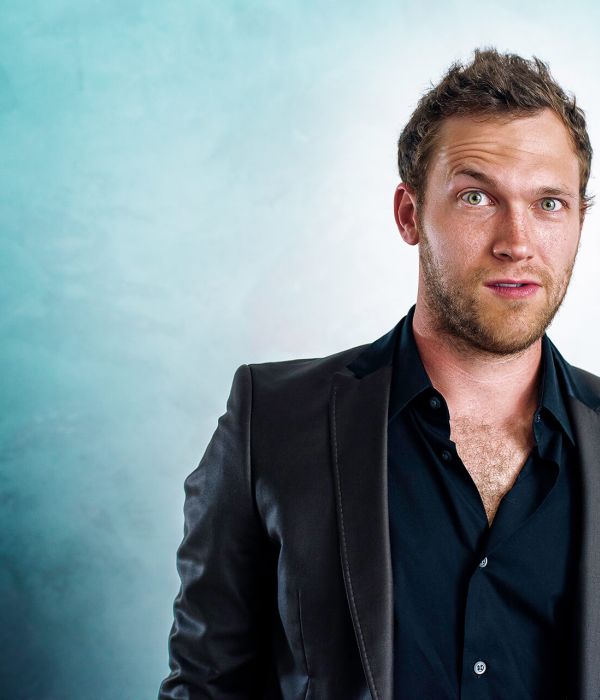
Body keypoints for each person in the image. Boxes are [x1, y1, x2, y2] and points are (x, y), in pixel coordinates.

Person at [158, 48, 600, 699]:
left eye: (550, 203)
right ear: (408, 214)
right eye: (476, 197)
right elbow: (206, 687)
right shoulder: (272, 423)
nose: (517, 241)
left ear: (581, 219)